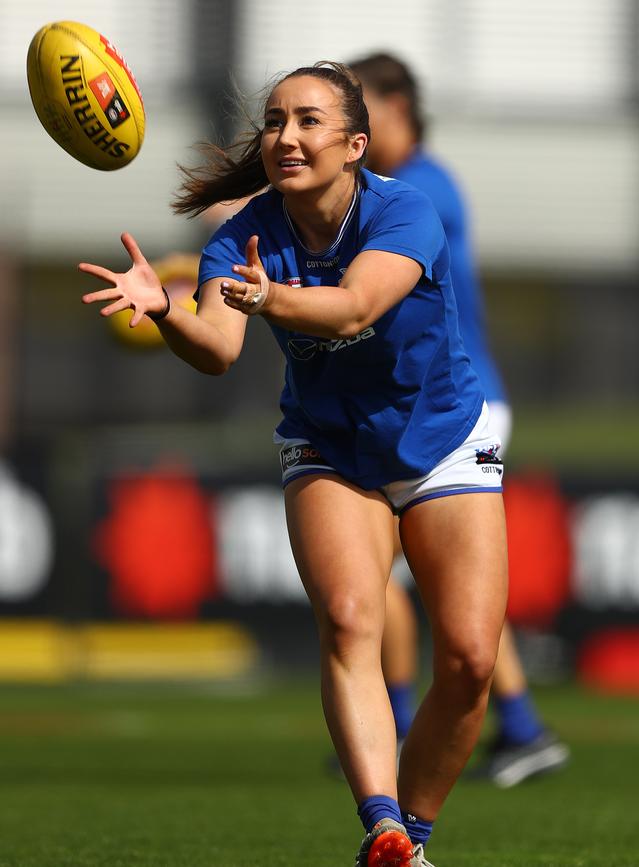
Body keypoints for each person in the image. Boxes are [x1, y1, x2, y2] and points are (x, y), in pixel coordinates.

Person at [79, 61, 508, 867]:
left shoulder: (404, 210)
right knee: (351, 620)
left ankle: (411, 835)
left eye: (309, 121)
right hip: (329, 445)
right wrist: (166, 307)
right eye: (276, 121)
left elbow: (353, 306)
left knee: (471, 661)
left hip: (440, 437)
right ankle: (384, 828)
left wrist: (262, 296)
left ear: (355, 144)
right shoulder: (246, 236)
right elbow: (216, 349)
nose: (287, 136)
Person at [347, 52, 569, 787]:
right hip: (419, 403)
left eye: (358, 109)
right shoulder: (394, 184)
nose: (344, 128)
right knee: (395, 574)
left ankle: (475, 723)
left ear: (399, 108)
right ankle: (467, 723)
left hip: (458, 404)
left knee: (427, 578)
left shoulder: (418, 190)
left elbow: (353, 266)